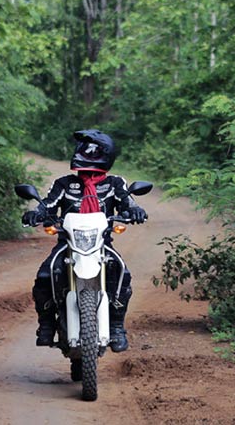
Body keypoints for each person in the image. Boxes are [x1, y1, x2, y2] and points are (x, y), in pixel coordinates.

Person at [22, 129, 148, 353]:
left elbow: (128, 203)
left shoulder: (115, 184)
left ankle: (117, 327)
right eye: (84, 150)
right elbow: (47, 205)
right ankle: (47, 325)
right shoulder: (63, 184)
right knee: (45, 275)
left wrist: (136, 211)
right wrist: (36, 213)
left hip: (101, 244)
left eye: (91, 151)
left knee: (121, 274)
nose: (85, 154)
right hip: (68, 244)